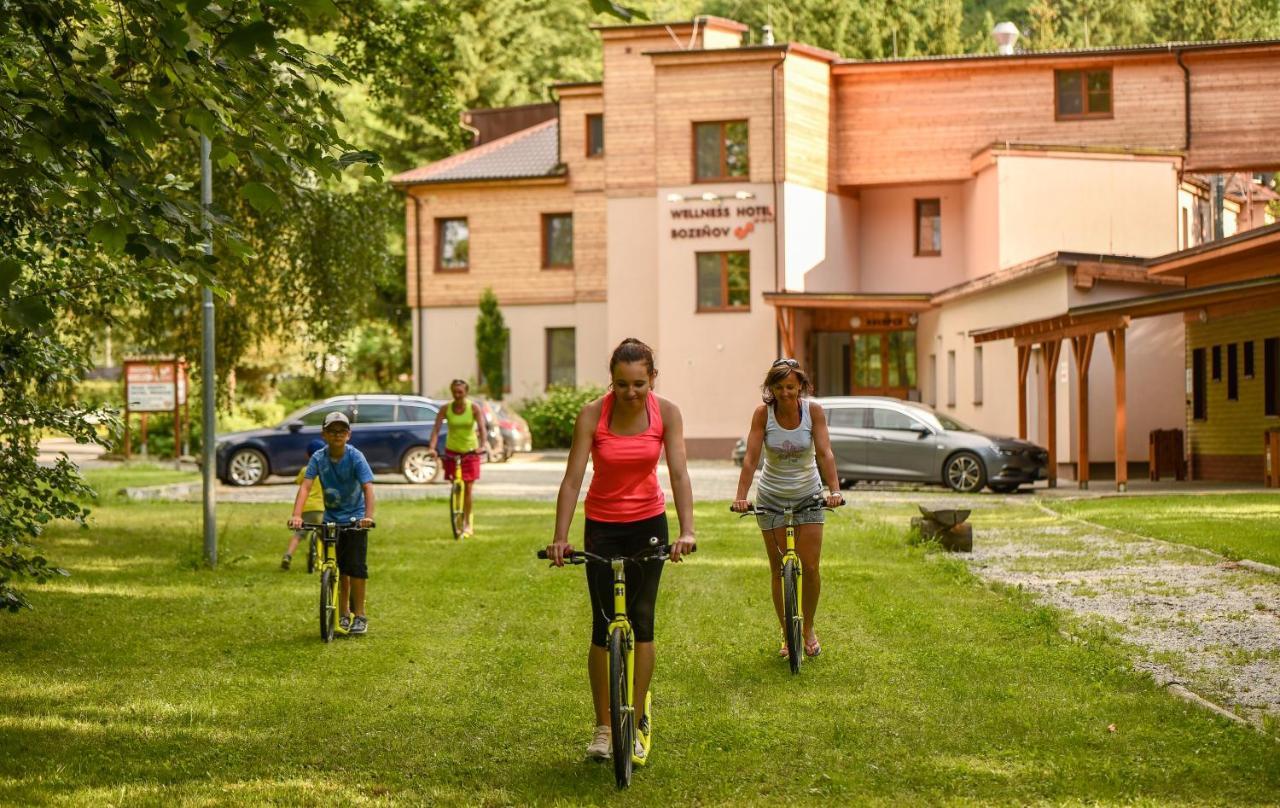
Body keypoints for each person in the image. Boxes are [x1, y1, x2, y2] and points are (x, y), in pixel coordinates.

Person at [546, 338, 696, 766]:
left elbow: (680, 474)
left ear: (652, 379)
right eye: (621, 384)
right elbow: (573, 479)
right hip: (603, 527)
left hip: (649, 524)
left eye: (638, 384)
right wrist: (561, 536)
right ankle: (605, 726)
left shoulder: (666, 413)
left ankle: (635, 718)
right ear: (610, 380)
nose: (630, 392)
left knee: (642, 622)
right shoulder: (593, 414)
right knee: (602, 625)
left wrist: (687, 529)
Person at [730, 358, 843, 659]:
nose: (785, 393)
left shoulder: (813, 412)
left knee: (811, 567)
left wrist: (834, 490)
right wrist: (741, 496)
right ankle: (785, 632)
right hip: (772, 496)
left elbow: (824, 452)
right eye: (778, 387)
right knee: (779, 570)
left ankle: (807, 629)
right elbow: (751, 459)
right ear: (770, 389)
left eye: (790, 387)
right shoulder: (762, 415)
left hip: (808, 494)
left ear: (801, 387)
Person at [289, 412, 376, 635]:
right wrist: (297, 515)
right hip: (331, 520)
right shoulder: (318, 458)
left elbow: (368, 487)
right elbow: (306, 487)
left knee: (355, 568)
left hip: (356, 520)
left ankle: (360, 615)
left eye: (342, 431)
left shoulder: (356, 457)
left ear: (348, 435)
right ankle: (344, 614)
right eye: (332, 431)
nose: (337, 435)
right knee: (337, 568)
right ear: (324, 434)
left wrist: (368, 517)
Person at [427, 379, 487, 537]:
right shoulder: (446, 408)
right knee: (456, 483)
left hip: (470, 450)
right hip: (452, 450)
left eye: (460, 392)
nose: (457, 394)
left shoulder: (474, 408)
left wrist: (483, 445)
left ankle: (468, 523)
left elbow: (482, 428)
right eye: (454, 391)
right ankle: (457, 512)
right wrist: (432, 447)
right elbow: (436, 429)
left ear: (466, 392)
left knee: (468, 489)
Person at [281, 438, 327, 570]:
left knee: (298, 535)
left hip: (305, 509)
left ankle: (288, 555)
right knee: (325, 536)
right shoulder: (326, 471)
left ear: (307, 455)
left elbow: (300, 483)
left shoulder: (305, 470)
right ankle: (324, 560)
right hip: (320, 509)